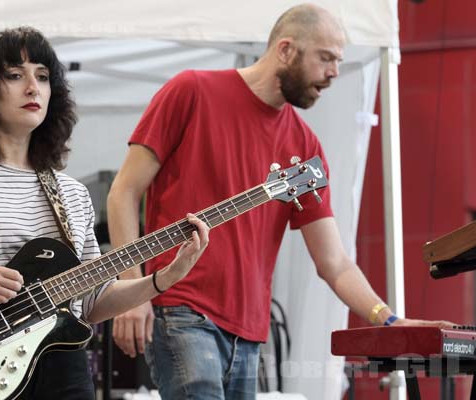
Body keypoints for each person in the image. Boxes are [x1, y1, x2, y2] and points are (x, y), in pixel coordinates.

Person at [107, 4, 452, 400]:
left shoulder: (305, 148)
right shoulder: (191, 90)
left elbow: (334, 263)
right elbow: (123, 192)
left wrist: (389, 320)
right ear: (286, 49)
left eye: (339, 61)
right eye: (326, 57)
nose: (335, 73)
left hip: (250, 333)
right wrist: (130, 290)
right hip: (182, 309)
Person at [0, 27, 209, 400]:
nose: (33, 87)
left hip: (57, 364)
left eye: (43, 76)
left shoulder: (71, 194)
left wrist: (162, 279)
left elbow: (92, 302)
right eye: (15, 75)